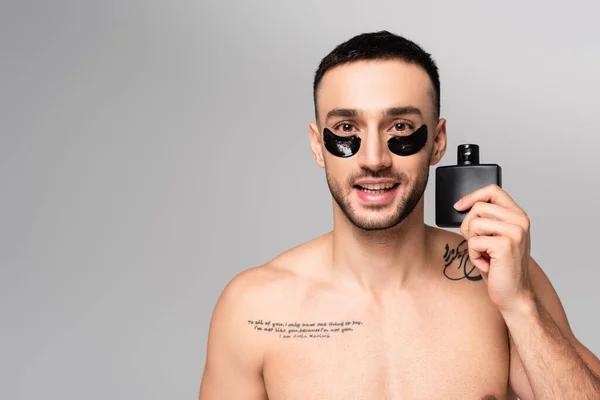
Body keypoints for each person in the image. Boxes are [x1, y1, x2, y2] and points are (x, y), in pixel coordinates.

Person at [198, 31, 600, 399]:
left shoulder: (504, 277)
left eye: (401, 128)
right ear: (318, 145)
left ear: (438, 142)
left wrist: (520, 306)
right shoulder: (255, 309)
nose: (374, 159)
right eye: (346, 129)